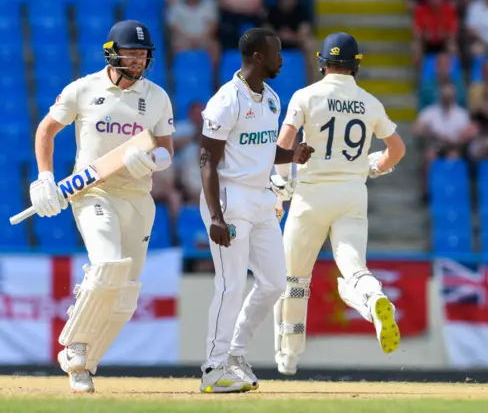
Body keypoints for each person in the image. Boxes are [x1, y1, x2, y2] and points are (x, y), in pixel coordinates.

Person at [27, 20, 175, 393]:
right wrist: (45, 177)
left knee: (126, 295)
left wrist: (154, 161)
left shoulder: (156, 96)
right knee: (108, 266)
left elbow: (166, 149)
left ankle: (84, 367)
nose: (138, 60)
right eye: (131, 53)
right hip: (93, 192)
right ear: (112, 52)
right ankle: (74, 345)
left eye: (143, 54)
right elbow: (46, 130)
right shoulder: (84, 88)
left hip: (138, 199)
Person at [270, 32, 406, 376]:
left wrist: (281, 185)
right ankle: (373, 296)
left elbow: (284, 143)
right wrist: (375, 165)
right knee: (353, 266)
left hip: (311, 195)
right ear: (355, 66)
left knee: (295, 280)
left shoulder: (306, 95)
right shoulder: (369, 102)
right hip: (351, 194)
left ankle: (289, 355)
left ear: (322, 62)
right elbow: (398, 150)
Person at [198, 27, 314, 393]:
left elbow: (262, 150)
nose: (282, 58)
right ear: (259, 57)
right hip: (230, 201)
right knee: (231, 285)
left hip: (263, 199)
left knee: (275, 283)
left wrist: (291, 155)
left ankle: (235, 354)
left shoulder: (273, 98)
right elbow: (206, 161)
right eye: (277, 52)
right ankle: (213, 370)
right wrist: (216, 215)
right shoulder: (225, 100)